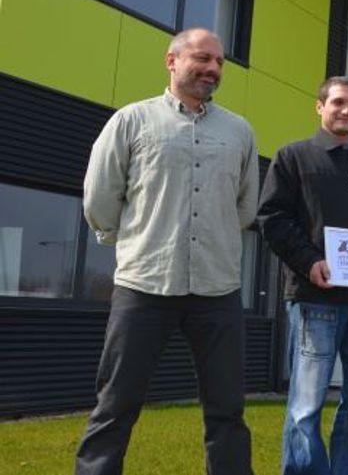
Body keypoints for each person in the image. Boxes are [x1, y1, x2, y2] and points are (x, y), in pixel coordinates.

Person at [76, 28, 258, 475]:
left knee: (228, 410)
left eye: (219, 62)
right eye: (202, 59)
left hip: (218, 289)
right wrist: (139, 242)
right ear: (171, 61)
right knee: (115, 405)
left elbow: (245, 205)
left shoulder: (239, 132)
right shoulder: (131, 121)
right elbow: (101, 196)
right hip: (144, 284)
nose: (213, 69)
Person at [257, 76, 348, 475]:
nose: (347, 110)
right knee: (306, 407)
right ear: (319, 107)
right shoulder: (293, 157)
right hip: (315, 300)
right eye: (338, 102)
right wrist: (309, 262)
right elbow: (272, 219)